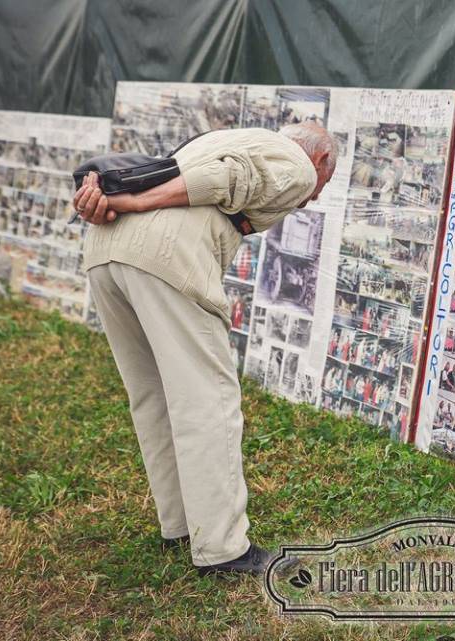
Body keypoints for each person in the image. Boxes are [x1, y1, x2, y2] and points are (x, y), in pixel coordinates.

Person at [73, 123, 337, 576]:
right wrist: (134, 201)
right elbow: (226, 180)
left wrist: (125, 208)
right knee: (208, 400)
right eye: (323, 183)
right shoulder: (296, 164)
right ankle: (222, 548)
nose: (314, 196)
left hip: (105, 251)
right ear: (319, 160)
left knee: (152, 394)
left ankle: (177, 524)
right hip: (163, 253)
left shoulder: (231, 136)